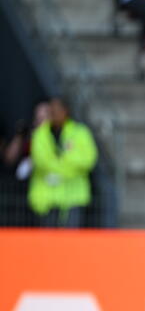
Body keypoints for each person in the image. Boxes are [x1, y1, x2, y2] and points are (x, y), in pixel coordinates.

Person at [28, 97, 98, 227]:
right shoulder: (40, 134)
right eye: (51, 110)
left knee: (70, 243)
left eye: (57, 109)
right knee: (46, 244)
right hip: (46, 200)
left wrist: (59, 168)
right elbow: (40, 160)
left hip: (73, 198)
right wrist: (67, 166)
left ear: (66, 111)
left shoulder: (80, 133)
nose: (53, 113)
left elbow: (88, 159)